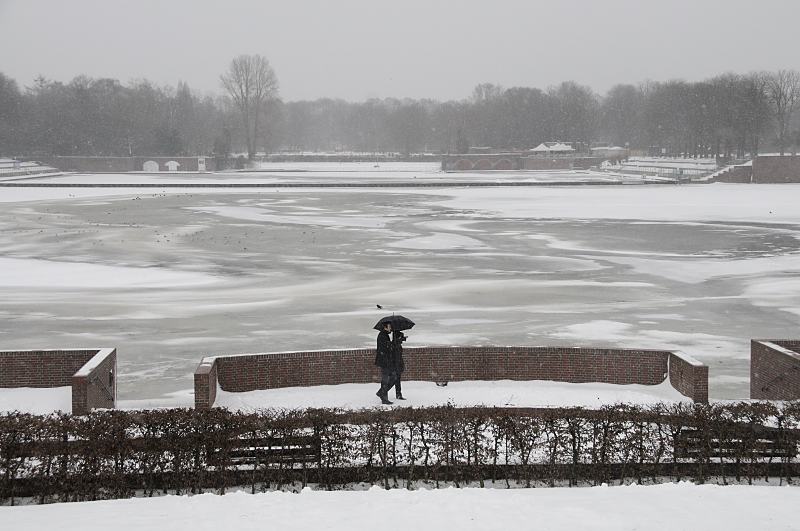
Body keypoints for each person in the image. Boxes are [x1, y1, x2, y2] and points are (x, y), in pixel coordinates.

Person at [374, 322, 394, 404]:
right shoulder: (382, 335)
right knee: (385, 379)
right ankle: (384, 398)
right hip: (384, 361)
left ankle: (381, 392)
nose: (391, 328)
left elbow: (387, 347)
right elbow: (383, 349)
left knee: (393, 377)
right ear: (385, 327)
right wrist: (390, 345)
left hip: (386, 360)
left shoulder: (385, 335)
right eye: (389, 326)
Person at [389, 330, 406, 400]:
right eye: (401, 338)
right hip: (395, 365)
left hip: (397, 365)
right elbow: (396, 357)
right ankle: (382, 391)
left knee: (397, 380)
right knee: (394, 380)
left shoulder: (396, 345)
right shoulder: (395, 346)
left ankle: (398, 394)